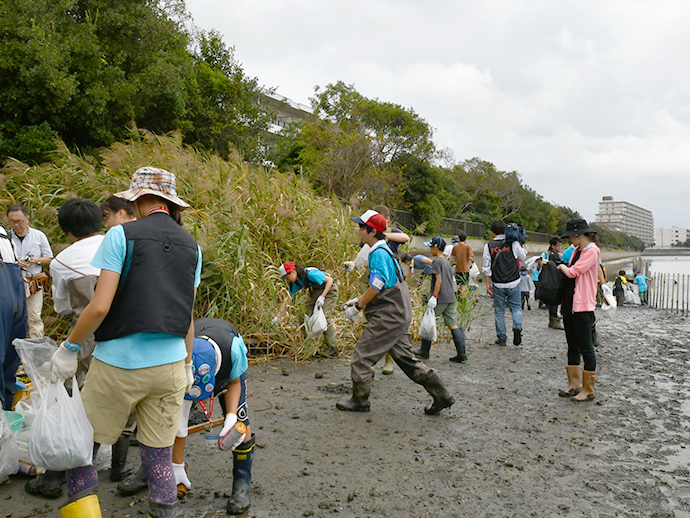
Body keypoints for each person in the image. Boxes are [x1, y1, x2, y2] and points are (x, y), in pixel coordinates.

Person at [48, 167, 202, 518]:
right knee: (159, 457)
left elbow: (100, 305)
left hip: (118, 364)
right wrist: (188, 364)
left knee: (84, 448)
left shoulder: (121, 236)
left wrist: (69, 348)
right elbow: (188, 315)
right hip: (171, 369)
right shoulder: (192, 246)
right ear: (170, 202)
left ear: (137, 198)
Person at [26, 199, 123, 499]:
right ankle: (120, 468)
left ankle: (59, 474)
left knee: (76, 399)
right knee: (122, 399)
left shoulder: (61, 261)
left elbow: (63, 308)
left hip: (85, 338)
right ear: (100, 220)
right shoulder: (118, 243)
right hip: (124, 334)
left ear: (66, 230)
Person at [121, 318, 254, 515]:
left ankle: (242, 484)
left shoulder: (232, 350)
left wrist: (232, 417)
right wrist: (176, 466)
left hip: (228, 372)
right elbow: (178, 423)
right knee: (165, 422)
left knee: (242, 422)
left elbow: (234, 383)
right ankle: (152, 470)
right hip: (185, 373)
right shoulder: (178, 354)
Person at [337, 210, 454, 415]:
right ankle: (442, 396)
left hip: (389, 315)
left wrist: (358, 305)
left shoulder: (379, 253)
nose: (358, 232)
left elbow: (377, 284)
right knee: (407, 361)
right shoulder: (384, 251)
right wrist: (359, 301)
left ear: (372, 232)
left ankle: (360, 400)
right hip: (398, 313)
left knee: (362, 357)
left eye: (361, 228)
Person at [555, 218, 600, 402]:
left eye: (570, 237)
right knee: (572, 345)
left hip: (583, 306)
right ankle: (573, 385)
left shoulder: (592, 251)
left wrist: (561, 266)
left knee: (586, 347)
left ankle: (588, 389)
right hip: (570, 303)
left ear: (579, 235)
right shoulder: (575, 251)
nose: (569, 241)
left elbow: (574, 272)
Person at [415, 237, 467, 363]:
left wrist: (434, 296)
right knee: (453, 325)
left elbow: (439, 280)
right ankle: (462, 354)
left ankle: (424, 351)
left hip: (440, 297)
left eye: (431, 247)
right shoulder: (446, 261)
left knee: (428, 321)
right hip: (450, 297)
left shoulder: (437, 262)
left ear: (436, 248)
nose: (430, 249)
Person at [272, 261, 339, 358]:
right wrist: (277, 318)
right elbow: (287, 300)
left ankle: (332, 348)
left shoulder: (310, 274)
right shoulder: (296, 281)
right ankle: (309, 343)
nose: (287, 280)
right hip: (315, 291)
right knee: (302, 315)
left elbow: (330, 281)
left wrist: (323, 297)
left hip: (329, 290)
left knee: (325, 316)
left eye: (287, 277)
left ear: (293, 272)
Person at [372, 205, 409, 375]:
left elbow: (405, 238)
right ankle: (371, 359)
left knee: (391, 319)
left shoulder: (392, 232)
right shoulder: (370, 232)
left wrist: (384, 235)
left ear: (386, 219)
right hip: (375, 278)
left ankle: (389, 360)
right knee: (374, 319)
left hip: (393, 280)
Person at [7, 204, 53, 338]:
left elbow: (49, 258)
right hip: (12, 283)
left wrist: (36, 260)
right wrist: (15, 263)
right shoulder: (5, 237)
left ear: (27, 219)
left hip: (34, 282)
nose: (16, 225)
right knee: (11, 317)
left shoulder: (39, 236)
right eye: (12, 221)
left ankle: (36, 351)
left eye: (19, 221)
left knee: (34, 317)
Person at [482, 220, 527, 346]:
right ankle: (517, 326)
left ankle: (502, 338)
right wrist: (521, 244)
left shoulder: (488, 246)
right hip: (514, 281)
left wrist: (487, 284)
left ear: (492, 231)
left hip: (497, 283)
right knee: (516, 308)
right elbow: (522, 257)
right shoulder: (513, 243)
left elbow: (486, 268)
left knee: (499, 310)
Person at [0, 225, 27, 411]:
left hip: (12, 297)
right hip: (11, 295)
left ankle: (5, 411)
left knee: (11, 352)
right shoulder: (4, 234)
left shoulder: (5, 234)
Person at [536, 237, 564, 329]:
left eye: (561, 245)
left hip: (549, 281)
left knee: (553, 302)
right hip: (553, 281)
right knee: (554, 301)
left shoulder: (549, 255)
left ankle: (552, 320)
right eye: (558, 245)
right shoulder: (554, 256)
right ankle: (555, 321)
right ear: (553, 246)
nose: (560, 247)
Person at [450, 232, 474, 297]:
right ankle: (462, 300)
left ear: (459, 238)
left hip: (457, 269)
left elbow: (451, 256)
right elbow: (470, 257)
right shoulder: (468, 246)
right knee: (464, 285)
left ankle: (459, 298)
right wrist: (473, 261)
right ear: (465, 239)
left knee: (459, 285)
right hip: (465, 269)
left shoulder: (455, 247)